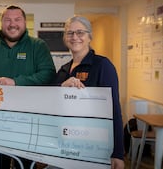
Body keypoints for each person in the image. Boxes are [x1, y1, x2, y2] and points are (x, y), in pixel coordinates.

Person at [0, 5, 56, 168]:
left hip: (27, 124)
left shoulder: (38, 46)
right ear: (1, 23)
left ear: (25, 22)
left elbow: (49, 75)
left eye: (17, 19)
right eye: (7, 20)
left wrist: (16, 82)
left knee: (24, 165)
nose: (12, 24)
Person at [54, 16, 125, 169]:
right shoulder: (63, 70)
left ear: (89, 36)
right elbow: (52, 104)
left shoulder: (102, 65)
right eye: (70, 33)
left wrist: (118, 153)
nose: (75, 37)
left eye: (80, 32)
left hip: (94, 146)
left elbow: (114, 110)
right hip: (65, 145)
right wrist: (62, 88)